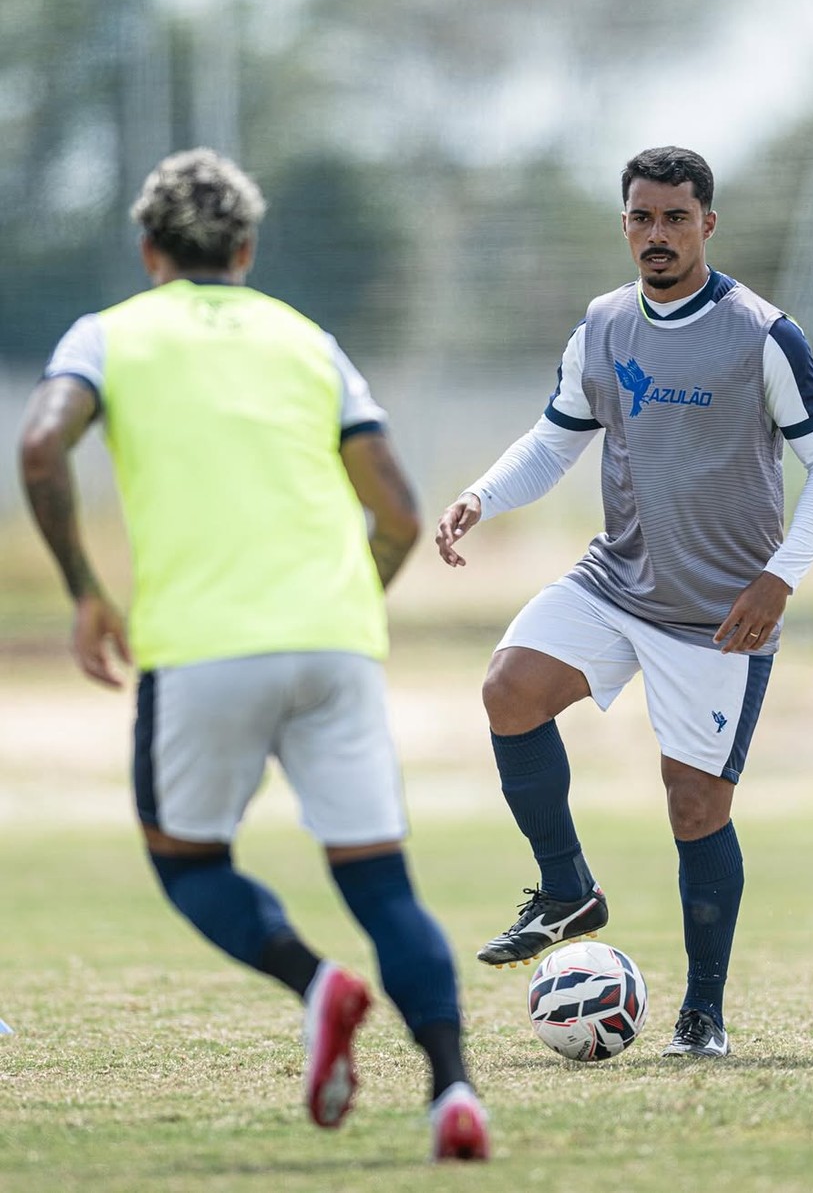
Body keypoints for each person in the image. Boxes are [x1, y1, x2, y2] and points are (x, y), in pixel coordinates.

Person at [20, 148, 489, 1159]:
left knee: (188, 860)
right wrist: (333, 609)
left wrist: (85, 593)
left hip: (202, 647)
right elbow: (402, 516)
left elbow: (39, 444)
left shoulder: (107, 336)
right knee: (384, 885)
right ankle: (454, 1088)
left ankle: (317, 981)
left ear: (149, 251)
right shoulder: (309, 342)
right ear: (246, 248)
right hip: (337, 640)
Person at [435, 145, 813, 1058]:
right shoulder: (604, 325)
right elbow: (556, 441)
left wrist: (781, 576)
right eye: (640, 217)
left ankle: (702, 1017)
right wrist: (482, 495)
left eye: (674, 218)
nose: (655, 235)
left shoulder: (760, 333)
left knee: (694, 806)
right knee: (509, 689)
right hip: (617, 580)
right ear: (623, 223)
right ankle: (566, 890)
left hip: (720, 615)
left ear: (708, 222)